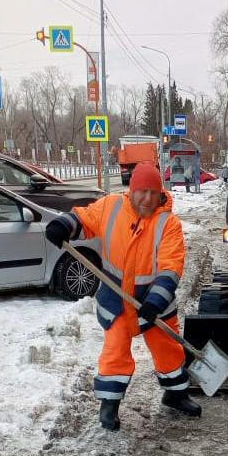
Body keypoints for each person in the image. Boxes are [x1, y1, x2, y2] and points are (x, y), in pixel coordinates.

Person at [45, 161, 200, 431]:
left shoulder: (168, 223)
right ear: (132, 190)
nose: (148, 198)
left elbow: (171, 265)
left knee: (168, 347)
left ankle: (176, 394)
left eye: (154, 192)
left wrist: (156, 300)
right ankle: (109, 404)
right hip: (116, 298)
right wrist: (63, 225)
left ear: (161, 193)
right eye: (142, 191)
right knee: (115, 350)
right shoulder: (111, 206)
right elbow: (84, 217)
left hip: (153, 300)